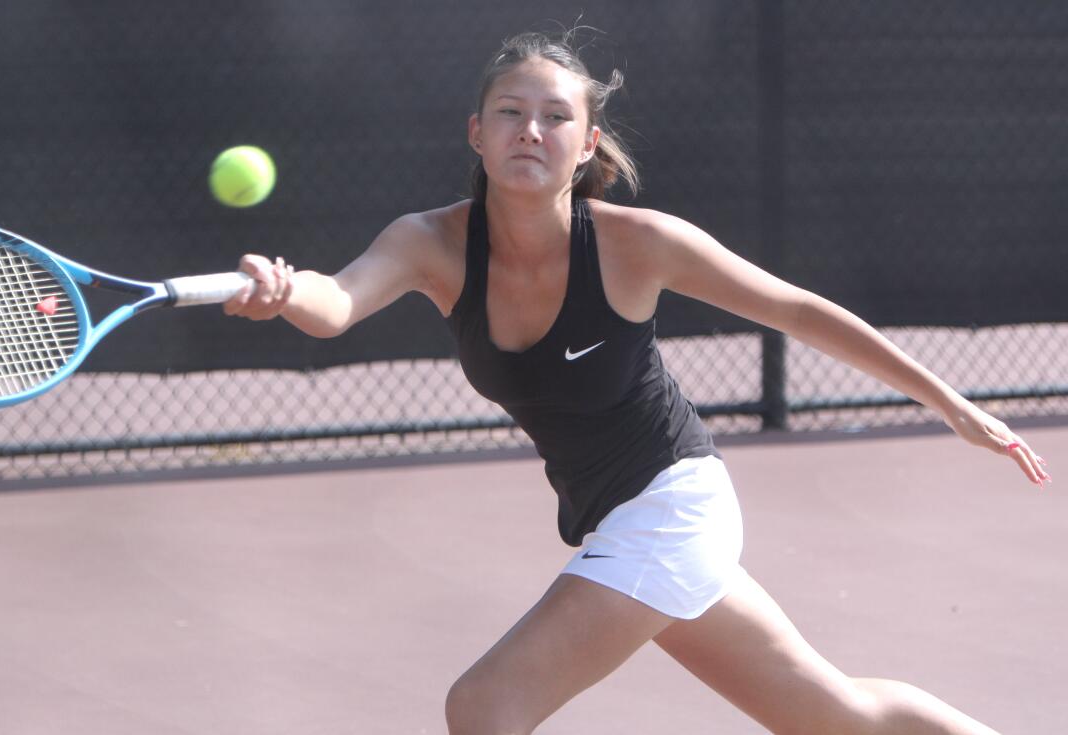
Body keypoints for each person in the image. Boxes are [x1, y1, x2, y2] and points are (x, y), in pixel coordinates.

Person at [223, 30, 1050, 735]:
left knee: (485, 704)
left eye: (555, 117)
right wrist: (283, 291)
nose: (530, 131)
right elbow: (334, 303)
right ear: (476, 133)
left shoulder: (638, 244)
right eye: (511, 113)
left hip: (675, 505)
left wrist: (952, 401)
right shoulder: (430, 242)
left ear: (585, 145)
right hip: (622, 519)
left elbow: (796, 308)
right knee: (840, 717)